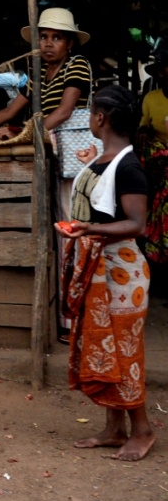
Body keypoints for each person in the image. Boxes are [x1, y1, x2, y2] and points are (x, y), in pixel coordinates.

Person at [58, 85, 154, 462]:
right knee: (109, 350)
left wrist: (89, 230)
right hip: (103, 267)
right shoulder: (107, 160)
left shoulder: (129, 167)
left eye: (92, 111)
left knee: (125, 351)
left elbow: (136, 224)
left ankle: (142, 430)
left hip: (122, 272)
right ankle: (115, 429)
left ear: (101, 118)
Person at [0, 8, 91, 137]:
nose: (48, 44)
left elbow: (64, 112)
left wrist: (22, 134)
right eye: (43, 37)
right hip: (47, 142)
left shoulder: (76, 64)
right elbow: (9, 112)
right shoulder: (39, 74)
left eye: (57, 38)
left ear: (69, 43)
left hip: (72, 145)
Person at [138, 58, 168, 269]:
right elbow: (143, 128)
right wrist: (144, 132)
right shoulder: (151, 99)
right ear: (159, 75)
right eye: (163, 71)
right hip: (160, 156)